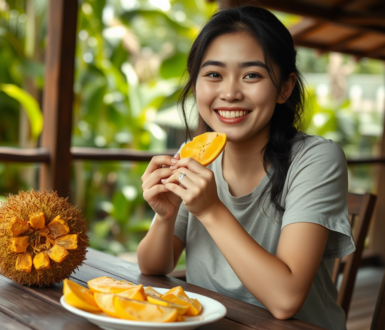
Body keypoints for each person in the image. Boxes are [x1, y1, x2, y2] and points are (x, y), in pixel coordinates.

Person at [137, 6, 354, 330]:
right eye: (213, 74)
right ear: (196, 85)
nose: (230, 93)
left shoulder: (316, 159)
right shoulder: (194, 154)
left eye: (252, 75)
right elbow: (154, 265)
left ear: (284, 87)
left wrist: (210, 210)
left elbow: (286, 300)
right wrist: (165, 217)